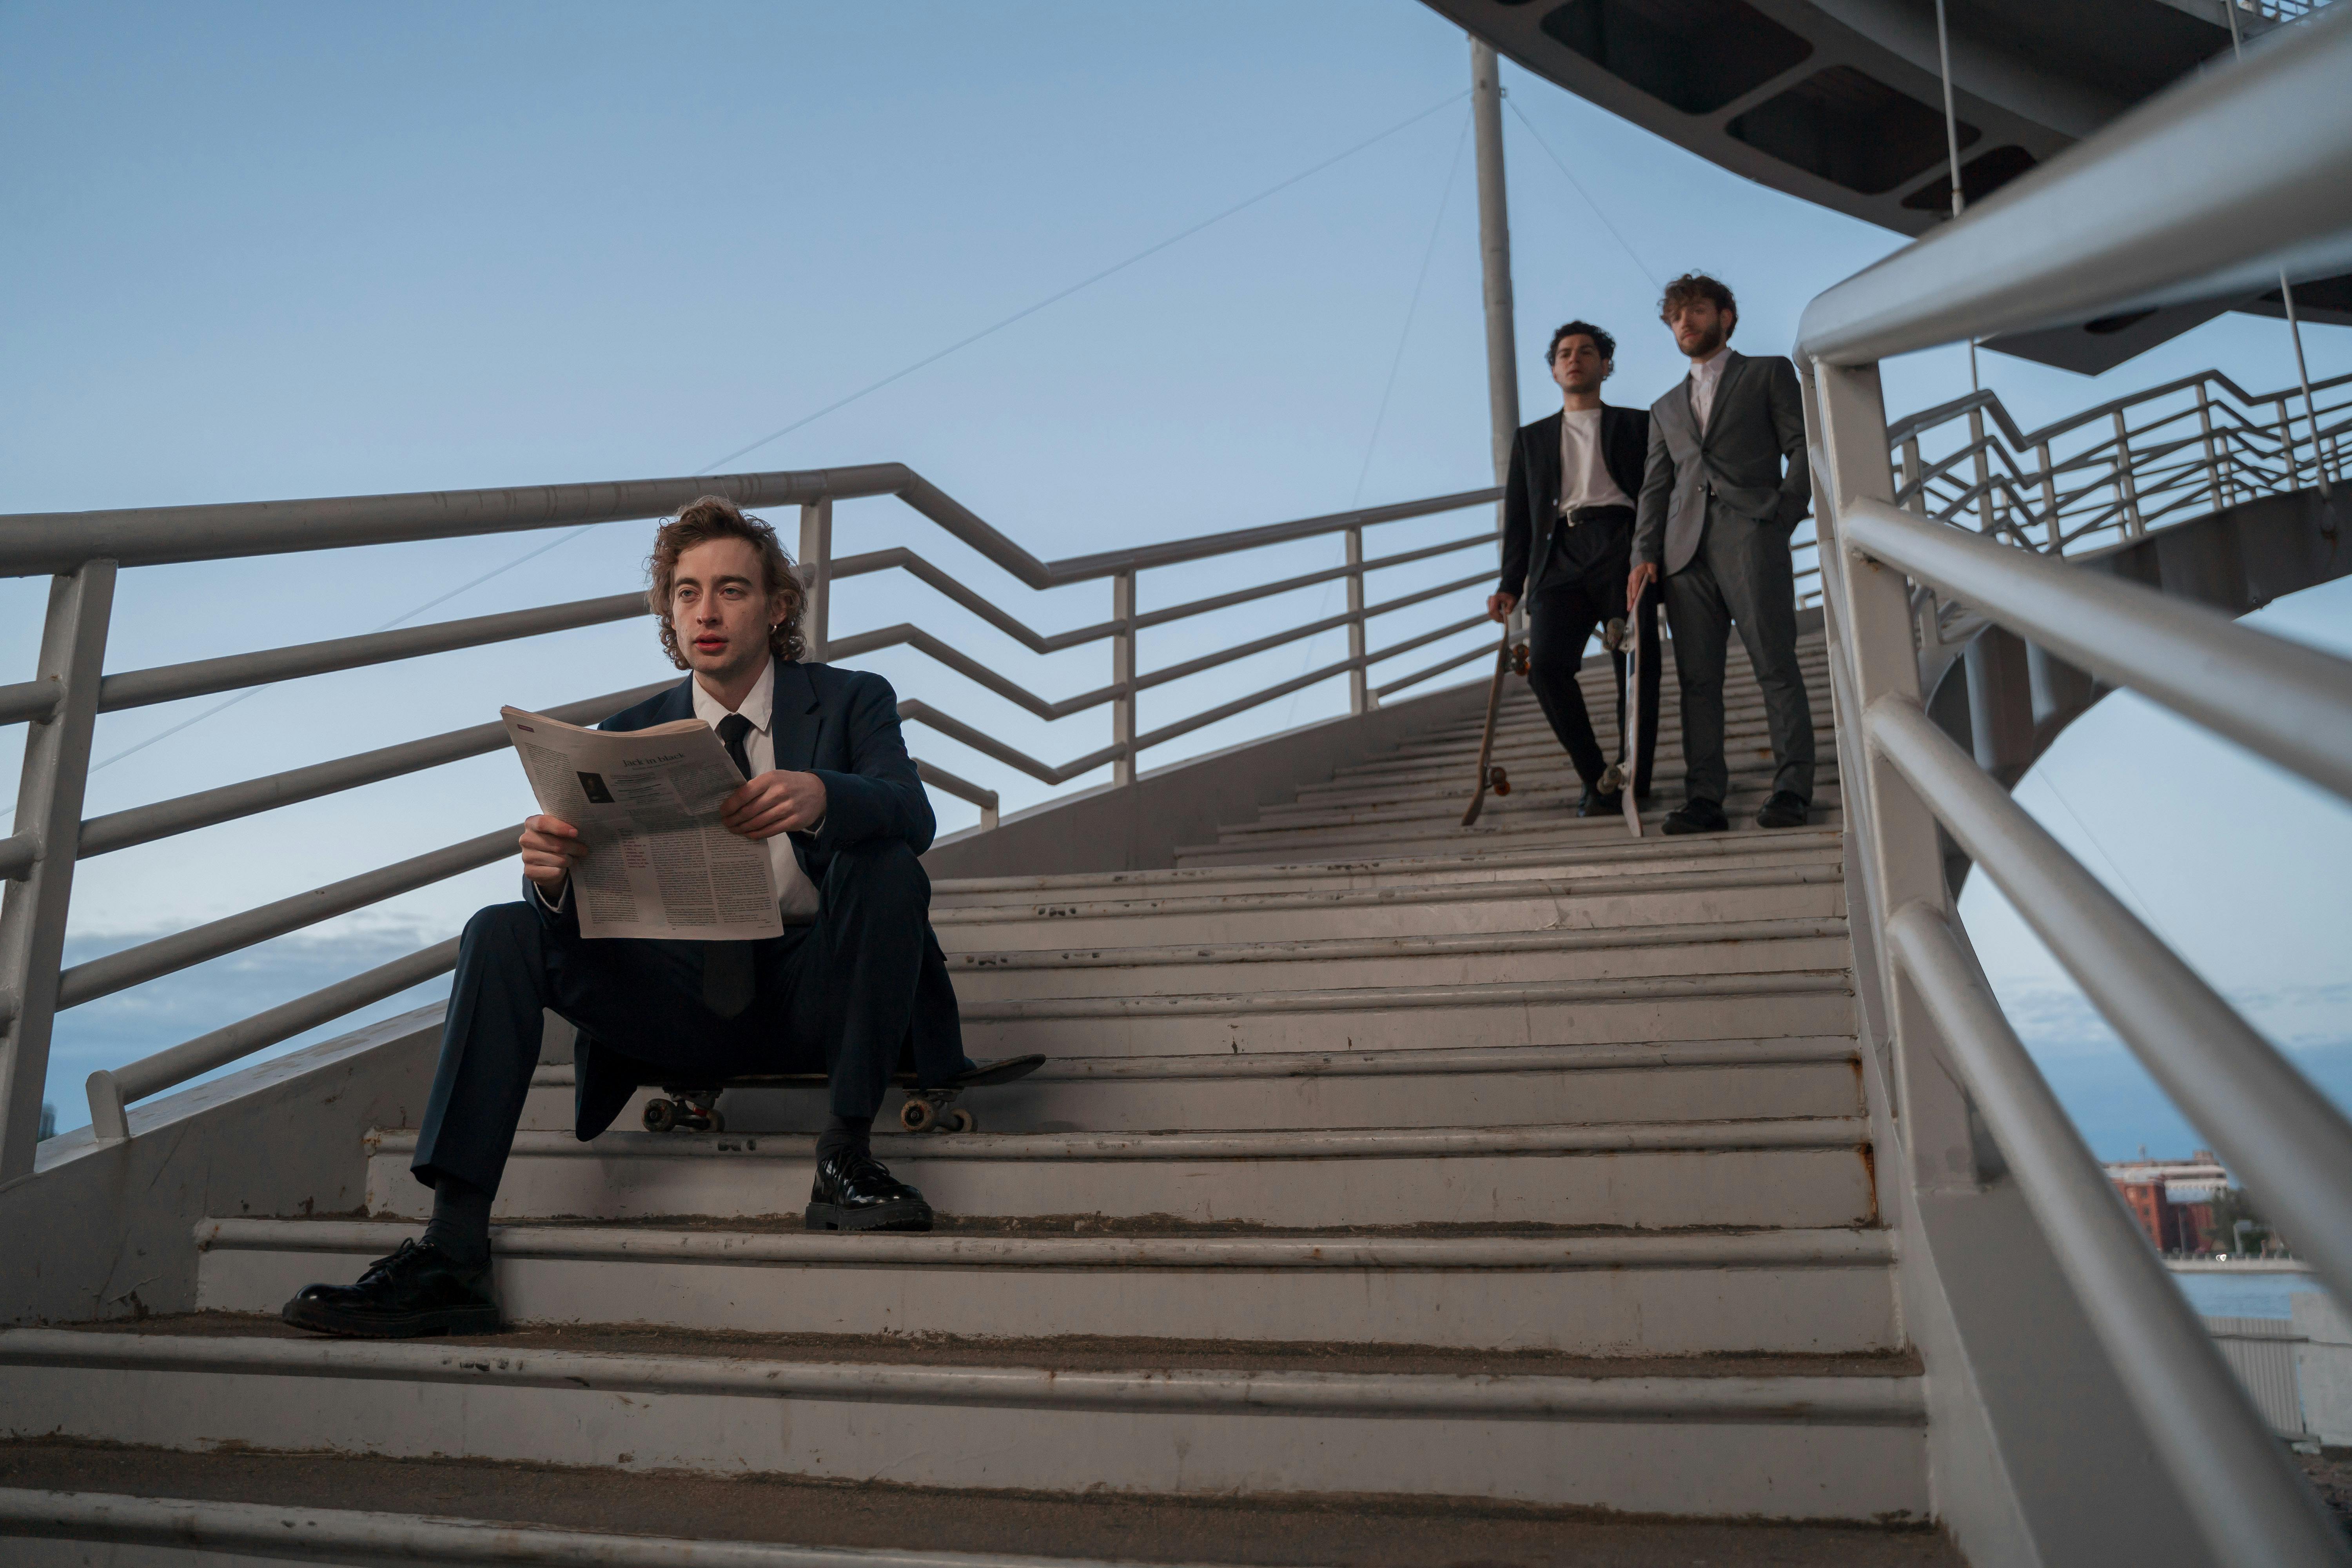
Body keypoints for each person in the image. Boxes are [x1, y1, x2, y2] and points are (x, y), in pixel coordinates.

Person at [284, 495, 972, 1338]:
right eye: (686, 593)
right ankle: (452, 1248)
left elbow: (914, 811)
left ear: (778, 606)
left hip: (813, 993)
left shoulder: (854, 698)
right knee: (501, 926)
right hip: (675, 1002)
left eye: (731, 589)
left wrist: (824, 793)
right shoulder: (630, 732)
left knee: (886, 862)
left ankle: (846, 1157)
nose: (707, 612)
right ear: (669, 613)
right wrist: (553, 875)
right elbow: (594, 911)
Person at [1627, 274, 1815, 834]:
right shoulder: (1664, 407)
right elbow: (1655, 487)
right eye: (1676, 317)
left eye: (1698, 311)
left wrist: (1783, 516)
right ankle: (1705, 798)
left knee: (1774, 664)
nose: (1686, 323)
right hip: (1685, 555)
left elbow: (1803, 444)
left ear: (1726, 317)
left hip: (1752, 534)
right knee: (1698, 681)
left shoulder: (1768, 372)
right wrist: (1644, 554)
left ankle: (1792, 788)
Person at [1488, 321, 1661, 816]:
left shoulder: (1639, 425)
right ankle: (1597, 777)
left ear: (1605, 366)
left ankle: (1634, 778)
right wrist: (1509, 584)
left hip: (1622, 547)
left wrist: (1653, 555)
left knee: (1636, 668)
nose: (1574, 358)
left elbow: (1656, 494)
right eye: (1564, 353)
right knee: (1545, 667)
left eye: (1587, 352)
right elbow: (1519, 518)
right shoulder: (1531, 439)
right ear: (1554, 369)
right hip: (1558, 557)